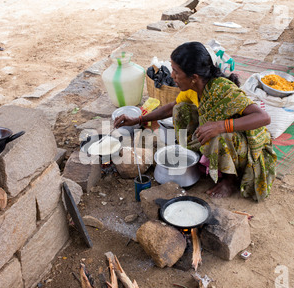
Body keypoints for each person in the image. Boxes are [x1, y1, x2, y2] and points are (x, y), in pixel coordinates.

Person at [114, 41, 277, 201]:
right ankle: (198, 156)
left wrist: (221, 126)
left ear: (194, 77)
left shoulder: (222, 89)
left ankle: (230, 180)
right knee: (181, 109)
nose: (172, 76)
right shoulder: (193, 88)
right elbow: (171, 108)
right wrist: (138, 119)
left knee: (218, 134)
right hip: (222, 135)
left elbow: (263, 117)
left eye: (176, 72)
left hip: (244, 143)